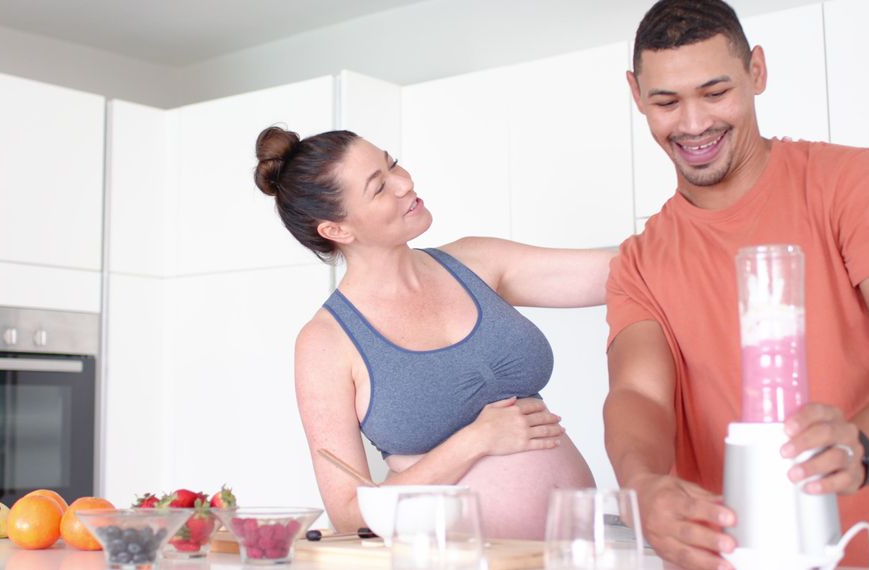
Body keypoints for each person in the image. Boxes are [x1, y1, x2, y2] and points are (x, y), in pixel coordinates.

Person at [604, 0, 869, 568]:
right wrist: (640, 487)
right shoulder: (640, 261)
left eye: (715, 92)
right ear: (635, 94)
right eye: (666, 102)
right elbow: (638, 395)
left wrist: (862, 445)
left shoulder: (848, 184)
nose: (693, 123)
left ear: (757, 73)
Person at [253, 126, 611, 539]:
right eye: (379, 187)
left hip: (578, 548)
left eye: (393, 164)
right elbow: (350, 513)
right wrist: (475, 442)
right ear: (337, 229)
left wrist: (695, 217)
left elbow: (623, 272)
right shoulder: (327, 342)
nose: (405, 183)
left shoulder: (476, 261)